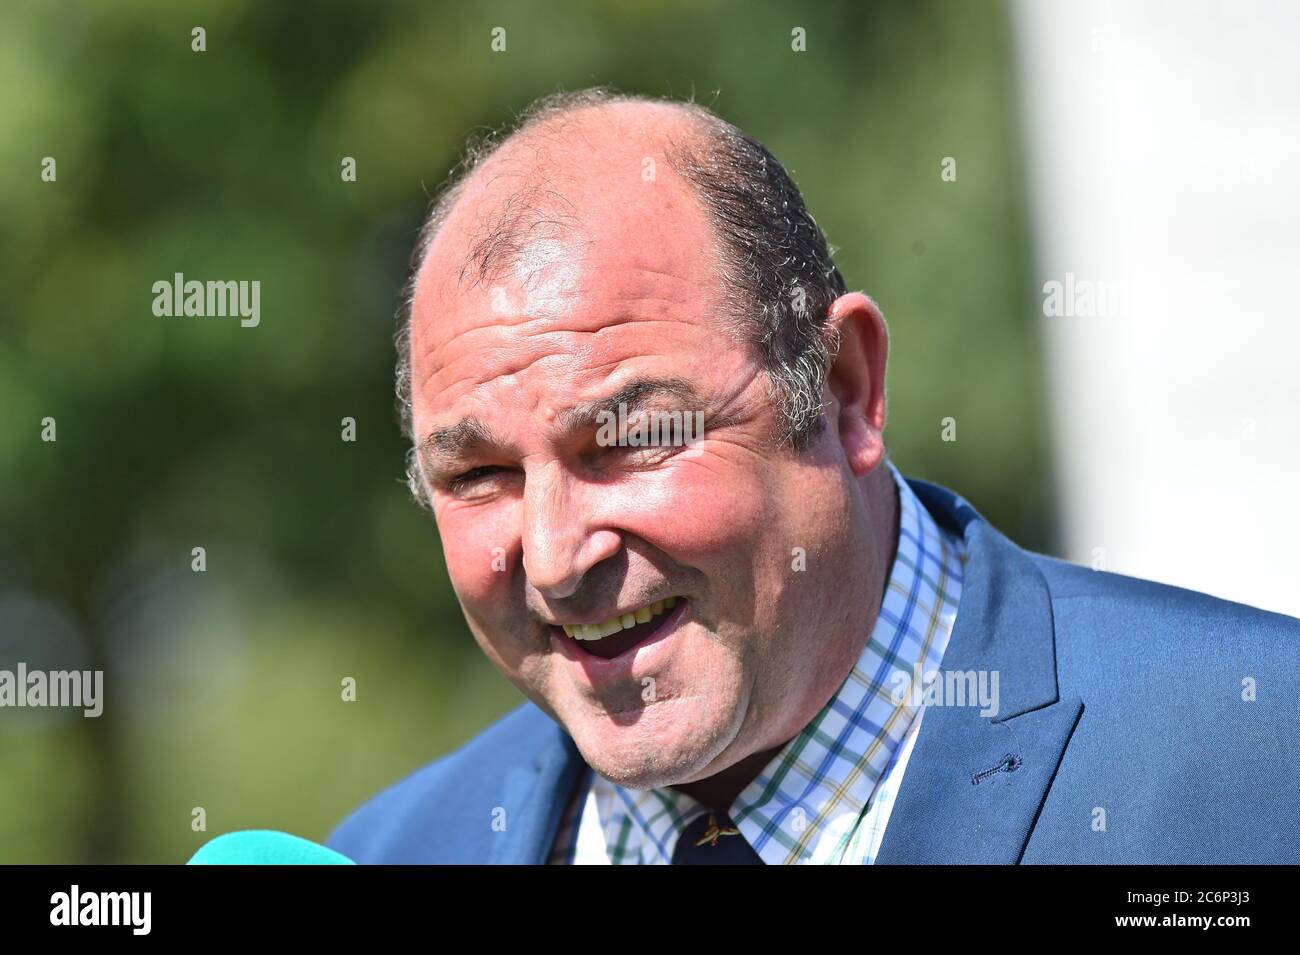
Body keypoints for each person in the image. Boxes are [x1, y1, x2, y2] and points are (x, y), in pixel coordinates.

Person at [329, 89, 1300, 864]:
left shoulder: (1262, 755)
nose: (551, 557)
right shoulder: (389, 853)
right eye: (481, 474)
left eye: (627, 440)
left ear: (843, 389)